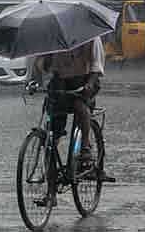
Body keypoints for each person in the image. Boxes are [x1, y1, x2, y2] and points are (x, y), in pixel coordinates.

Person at [35, 36, 105, 165]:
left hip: (85, 79)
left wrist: (89, 84)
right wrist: (47, 58)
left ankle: (85, 146)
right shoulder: (53, 37)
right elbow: (42, 65)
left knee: (79, 105)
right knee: (54, 113)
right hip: (60, 81)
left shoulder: (92, 37)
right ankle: (52, 153)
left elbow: (96, 65)